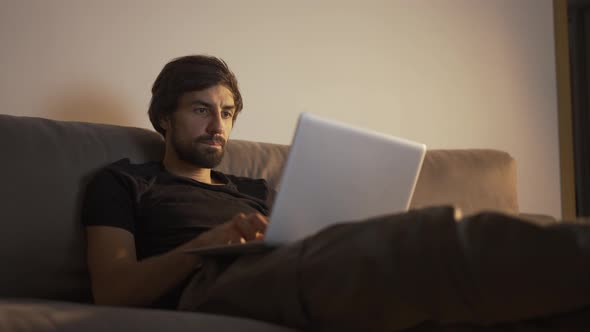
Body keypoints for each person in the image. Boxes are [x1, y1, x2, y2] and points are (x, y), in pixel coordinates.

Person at [82, 55, 590, 331]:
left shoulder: (255, 188)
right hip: (211, 283)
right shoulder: (125, 181)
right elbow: (114, 290)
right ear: (164, 118)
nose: (219, 125)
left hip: (294, 266)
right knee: (428, 237)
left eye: (229, 112)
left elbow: (302, 242)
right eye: (201, 109)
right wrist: (212, 240)